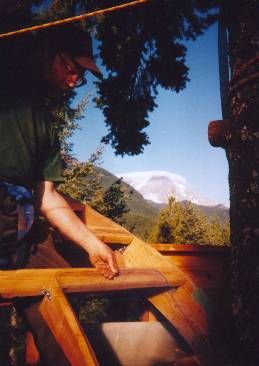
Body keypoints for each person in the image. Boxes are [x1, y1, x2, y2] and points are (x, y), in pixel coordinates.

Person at [0, 25, 119, 365]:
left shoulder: (47, 125)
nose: (73, 80)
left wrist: (95, 245)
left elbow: (48, 198)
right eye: (71, 68)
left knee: (58, 281)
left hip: (18, 227)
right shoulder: (6, 76)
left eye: (80, 76)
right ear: (46, 52)